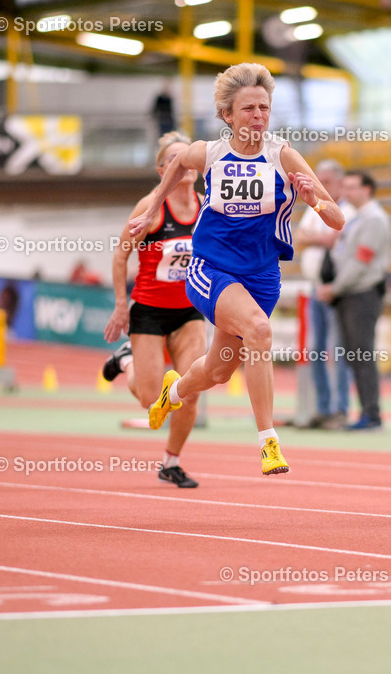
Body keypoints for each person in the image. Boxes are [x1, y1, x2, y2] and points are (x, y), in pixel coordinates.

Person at [127, 63, 345, 475]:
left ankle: (172, 393)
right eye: (248, 108)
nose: (258, 116)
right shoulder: (210, 153)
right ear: (227, 115)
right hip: (212, 269)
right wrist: (152, 208)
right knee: (260, 331)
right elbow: (176, 164)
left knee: (218, 370)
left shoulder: (283, 156)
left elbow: (336, 220)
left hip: (262, 277)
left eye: (264, 107)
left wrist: (313, 198)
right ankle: (269, 442)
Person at [102, 131, 206, 488]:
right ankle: (126, 360)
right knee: (152, 401)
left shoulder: (209, 207)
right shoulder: (149, 209)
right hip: (149, 310)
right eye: (176, 159)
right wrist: (121, 305)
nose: (185, 165)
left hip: (191, 310)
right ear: (163, 170)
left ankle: (170, 463)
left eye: (189, 158)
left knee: (189, 392)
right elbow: (121, 254)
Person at [318, 171, 391, 431]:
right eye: (345, 187)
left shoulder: (373, 220)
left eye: (352, 187)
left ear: (367, 189)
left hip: (362, 293)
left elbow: (361, 262)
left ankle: (372, 414)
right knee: (355, 355)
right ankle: (368, 412)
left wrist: (334, 288)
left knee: (362, 354)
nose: (346, 192)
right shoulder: (357, 217)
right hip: (350, 293)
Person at [293, 158, 352, 430]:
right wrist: (319, 239)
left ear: (340, 183)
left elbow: (333, 238)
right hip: (315, 288)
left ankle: (340, 410)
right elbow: (300, 237)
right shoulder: (315, 206)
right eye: (320, 181)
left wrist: (313, 238)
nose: (321, 186)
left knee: (338, 351)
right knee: (315, 350)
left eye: (326, 182)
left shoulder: (347, 210)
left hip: (337, 290)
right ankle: (323, 408)